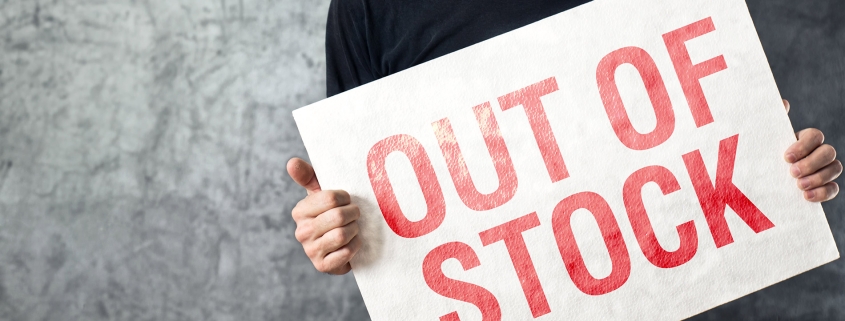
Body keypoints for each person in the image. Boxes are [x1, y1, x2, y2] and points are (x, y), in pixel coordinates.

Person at [287, 0, 843, 275]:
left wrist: (777, 165)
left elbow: (709, 148)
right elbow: (356, 205)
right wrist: (332, 231)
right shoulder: (370, 8)